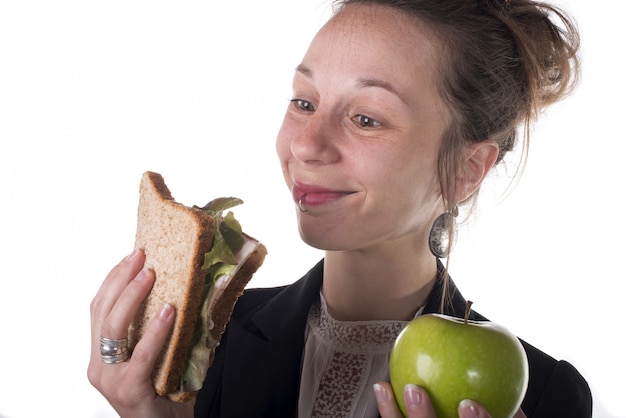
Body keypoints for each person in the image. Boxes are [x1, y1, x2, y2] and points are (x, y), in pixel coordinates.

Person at [88, 0, 593, 417]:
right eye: (304, 102)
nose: (307, 145)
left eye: (366, 118)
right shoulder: (202, 340)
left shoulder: (546, 398)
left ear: (466, 169)